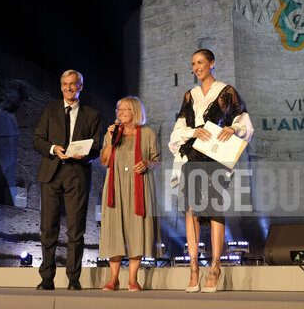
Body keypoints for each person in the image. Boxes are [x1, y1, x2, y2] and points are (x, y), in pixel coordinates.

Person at [169, 49, 253, 293]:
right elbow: (180, 127)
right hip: (192, 155)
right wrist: (191, 132)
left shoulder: (226, 91)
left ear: (212, 64)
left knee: (214, 208)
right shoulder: (190, 95)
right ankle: (194, 268)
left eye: (201, 62)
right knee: (191, 210)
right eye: (193, 63)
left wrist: (233, 129)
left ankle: (215, 267)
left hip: (214, 157)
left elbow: (243, 119)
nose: (196, 67)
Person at [33, 69, 101, 291]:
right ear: (60, 86)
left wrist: (86, 155)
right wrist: (53, 148)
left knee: (76, 229)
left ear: (81, 86)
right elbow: (37, 140)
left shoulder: (91, 114)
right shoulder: (50, 110)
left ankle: (73, 279)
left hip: (77, 174)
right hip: (51, 174)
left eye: (73, 84)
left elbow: (98, 147)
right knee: (48, 228)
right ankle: (46, 279)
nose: (69, 88)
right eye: (65, 84)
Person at [99, 96, 162, 292]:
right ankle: (114, 278)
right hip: (115, 186)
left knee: (137, 230)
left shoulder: (149, 134)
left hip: (139, 186)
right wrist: (110, 140)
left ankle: (133, 279)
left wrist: (147, 164)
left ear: (136, 112)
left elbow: (157, 161)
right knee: (114, 229)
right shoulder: (112, 133)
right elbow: (104, 161)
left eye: (125, 109)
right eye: (119, 109)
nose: (121, 112)